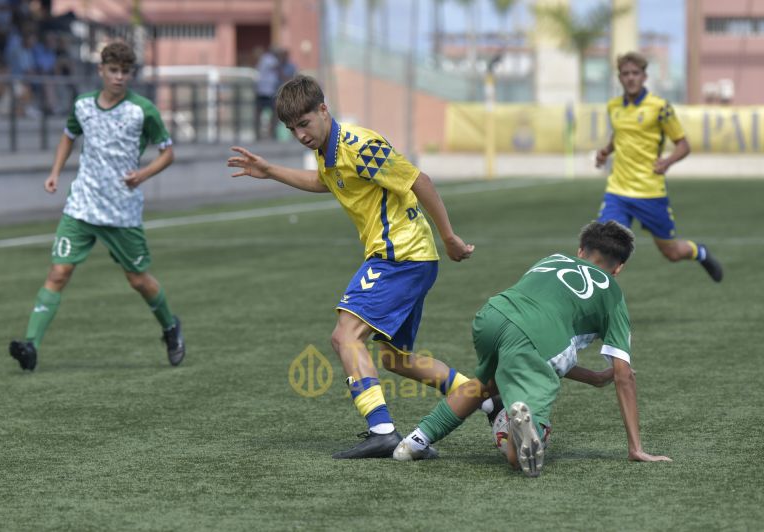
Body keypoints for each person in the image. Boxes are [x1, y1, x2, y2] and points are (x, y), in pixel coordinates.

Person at [227, 75, 475, 459]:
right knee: (397, 359)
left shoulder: (359, 145)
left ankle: (382, 430)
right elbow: (324, 181)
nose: (300, 135)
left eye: (304, 124)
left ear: (324, 110)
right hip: (409, 257)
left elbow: (418, 179)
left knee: (345, 336)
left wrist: (450, 237)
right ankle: (479, 397)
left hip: (400, 255)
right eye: (292, 129)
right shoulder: (329, 149)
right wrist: (271, 170)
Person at [393, 221, 672, 477]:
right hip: (535, 338)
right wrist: (635, 448)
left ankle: (414, 442)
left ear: (580, 251)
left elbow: (532, 345)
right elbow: (624, 375)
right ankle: (518, 432)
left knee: (484, 384)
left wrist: (595, 378)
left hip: (492, 315)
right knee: (521, 459)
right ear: (619, 268)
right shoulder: (612, 294)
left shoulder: (552, 259)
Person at [8, 41, 185, 371]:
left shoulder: (143, 110)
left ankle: (170, 327)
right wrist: (55, 172)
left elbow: (168, 153)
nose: (119, 78)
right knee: (59, 272)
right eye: (113, 71)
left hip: (122, 212)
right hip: (82, 206)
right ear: (101, 70)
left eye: (125, 72)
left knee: (138, 280)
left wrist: (142, 174)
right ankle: (30, 346)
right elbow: (68, 136)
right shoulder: (83, 105)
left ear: (131, 74)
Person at [595, 51, 722, 282]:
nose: (631, 78)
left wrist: (668, 161)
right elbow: (621, 134)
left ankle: (699, 252)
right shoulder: (614, 107)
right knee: (604, 247)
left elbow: (683, 145)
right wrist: (606, 151)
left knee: (671, 252)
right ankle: (600, 308)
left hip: (650, 192)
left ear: (644, 76)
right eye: (626, 74)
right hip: (618, 191)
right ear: (619, 78)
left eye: (635, 73)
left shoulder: (660, 107)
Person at [254, 46, 281, 140]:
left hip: (262, 90)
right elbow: (277, 67)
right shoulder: (270, 58)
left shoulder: (263, 59)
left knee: (259, 113)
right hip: (268, 91)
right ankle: (272, 134)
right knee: (274, 113)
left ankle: (258, 134)